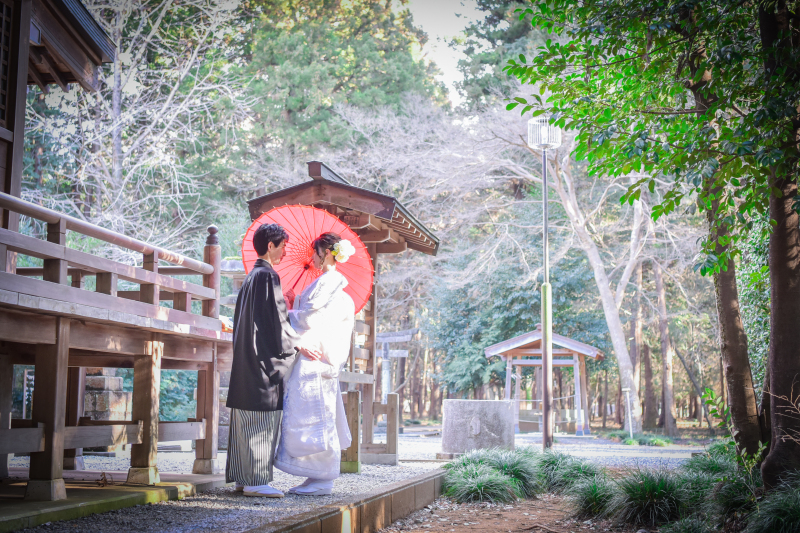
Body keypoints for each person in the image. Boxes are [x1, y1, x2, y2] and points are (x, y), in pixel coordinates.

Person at [226, 223, 311, 498]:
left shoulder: (252, 276)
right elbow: (276, 320)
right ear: (270, 245)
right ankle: (256, 481)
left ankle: (243, 476)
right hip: (262, 360)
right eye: (283, 246)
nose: (285, 251)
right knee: (260, 419)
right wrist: (297, 342)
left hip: (246, 358)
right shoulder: (268, 277)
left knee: (244, 417)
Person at [274, 232, 357, 496]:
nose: (313, 257)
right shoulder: (329, 284)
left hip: (317, 359)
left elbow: (310, 319)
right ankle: (315, 475)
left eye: (316, 252)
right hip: (316, 358)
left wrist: (284, 310)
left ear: (327, 253)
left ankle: (323, 478)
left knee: (317, 417)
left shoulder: (329, 284)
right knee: (312, 415)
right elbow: (310, 312)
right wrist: (293, 301)